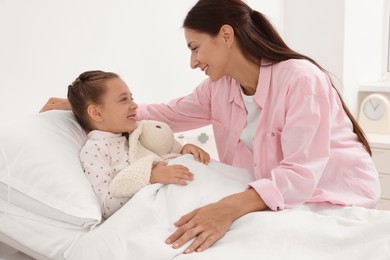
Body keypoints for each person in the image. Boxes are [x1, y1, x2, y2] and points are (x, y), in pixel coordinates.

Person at [41, 0, 380, 254]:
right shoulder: (220, 88)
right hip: (275, 194)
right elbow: (167, 113)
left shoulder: (299, 78)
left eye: (195, 48)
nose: (193, 62)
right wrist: (91, 110)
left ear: (226, 36)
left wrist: (226, 209)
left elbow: (301, 173)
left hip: (334, 194)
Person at [66, 70, 210, 219]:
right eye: (123, 100)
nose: (134, 105)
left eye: (131, 98)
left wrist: (183, 151)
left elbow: (162, 154)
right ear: (96, 113)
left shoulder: (135, 134)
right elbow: (106, 207)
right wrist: (148, 178)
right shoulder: (95, 150)